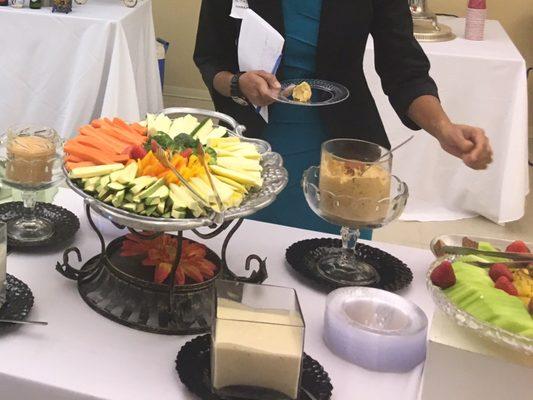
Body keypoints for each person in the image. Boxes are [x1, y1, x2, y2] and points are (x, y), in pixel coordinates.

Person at [194, 0, 493, 235]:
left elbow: (403, 68)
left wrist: (444, 128)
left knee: (336, 269)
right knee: (253, 270)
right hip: (253, 149)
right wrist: (237, 83)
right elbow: (209, 59)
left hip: (346, 153)